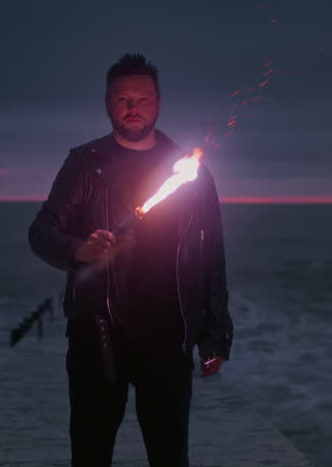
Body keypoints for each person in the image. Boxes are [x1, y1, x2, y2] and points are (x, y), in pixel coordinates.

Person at [28, 53, 233, 467]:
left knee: (169, 454)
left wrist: (216, 337)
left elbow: (211, 257)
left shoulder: (192, 172)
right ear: (107, 104)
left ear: (158, 103)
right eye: (123, 99)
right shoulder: (86, 164)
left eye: (143, 98)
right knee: (90, 451)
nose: (133, 107)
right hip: (97, 337)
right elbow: (41, 231)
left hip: (168, 339)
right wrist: (78, 250)